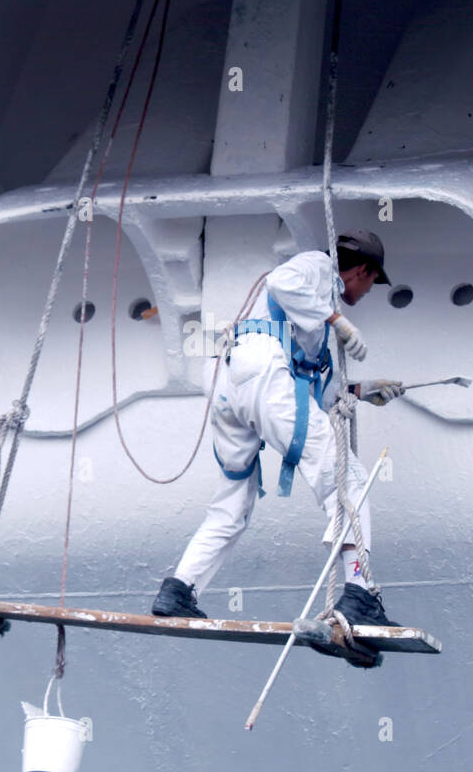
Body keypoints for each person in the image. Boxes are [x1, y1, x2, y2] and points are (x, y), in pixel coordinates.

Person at [150, 230, 405, 654]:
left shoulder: (308, 319)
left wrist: (361, 391)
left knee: (232, 504)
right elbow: (281, 282)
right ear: (362, 270)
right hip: (263, 378)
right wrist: (337, 320)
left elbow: (307, 394)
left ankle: (178, 590)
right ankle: (359, 595)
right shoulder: (319, 268)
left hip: (235, 387)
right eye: (369, 283)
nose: (365, 292)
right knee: (350, 484)